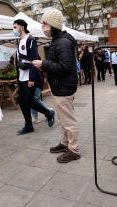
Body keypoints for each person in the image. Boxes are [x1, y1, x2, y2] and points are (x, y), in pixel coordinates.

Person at [32, 8, 80, 163]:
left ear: (52, 24)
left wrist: (44, 64)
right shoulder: (58, 40)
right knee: (62, 119)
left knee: (68, 121)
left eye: (44, 23)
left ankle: (73, 150)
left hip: (63, 87)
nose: (42, 26)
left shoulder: (63, 42)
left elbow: (65, 67)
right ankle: (64, 143)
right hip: (60, 86)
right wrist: (44, 65)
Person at [13, 19, 55, 135]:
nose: (14, 30)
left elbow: (33, 59)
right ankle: (29, 125)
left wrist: (31, 78)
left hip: (29, 77)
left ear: (21, 27)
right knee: (22, 102)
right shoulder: (18, 41)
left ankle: (48, 113)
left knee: (30, 101)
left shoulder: (30, 40)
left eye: (15, 27)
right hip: (21, 77)